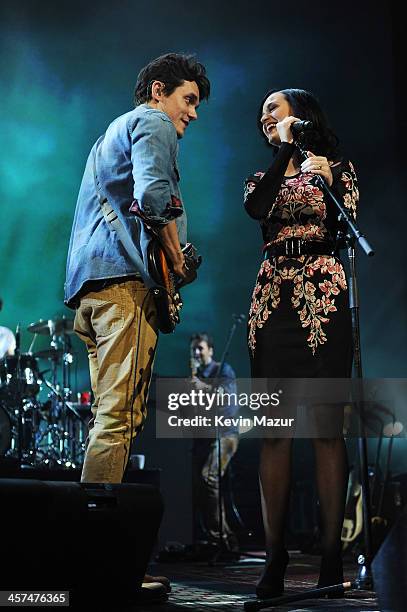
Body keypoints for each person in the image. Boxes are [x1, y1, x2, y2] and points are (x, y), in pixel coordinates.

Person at [64, 53, 210, 599]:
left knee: (108, 420)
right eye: (188, 99)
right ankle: (102, 563)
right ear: (158, 91)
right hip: (123, 289)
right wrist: (173, 264)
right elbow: (154, 196)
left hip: (92, 289)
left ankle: (87, 555)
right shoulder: (150, 122)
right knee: (119, 419)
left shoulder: (108, 136)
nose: (192, 114)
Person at [244, 89, 358, 598]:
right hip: (273, 300)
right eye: (263, 111)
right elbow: (257, 208)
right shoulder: (262, 176)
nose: (264, 115)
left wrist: (328, 176)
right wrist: (287, 153)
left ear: (301, 115)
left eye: (274, 107)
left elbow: (348, 219)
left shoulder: (338, 169)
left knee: (326, 430)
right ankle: (275, 556)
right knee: (275, 431)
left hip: (325, 296)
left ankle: (332, 555)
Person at [190, 332, 240, 557]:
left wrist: (202, 387)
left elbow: (227, 398)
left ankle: (225, 540)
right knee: (199, 485)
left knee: (208, 478)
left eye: (200, 348)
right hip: (204, 435)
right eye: (194, 349)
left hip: (226, 434)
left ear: (210, 349)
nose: (197, 352)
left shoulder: (224, 370)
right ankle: (219, 540)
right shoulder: (197, 375)